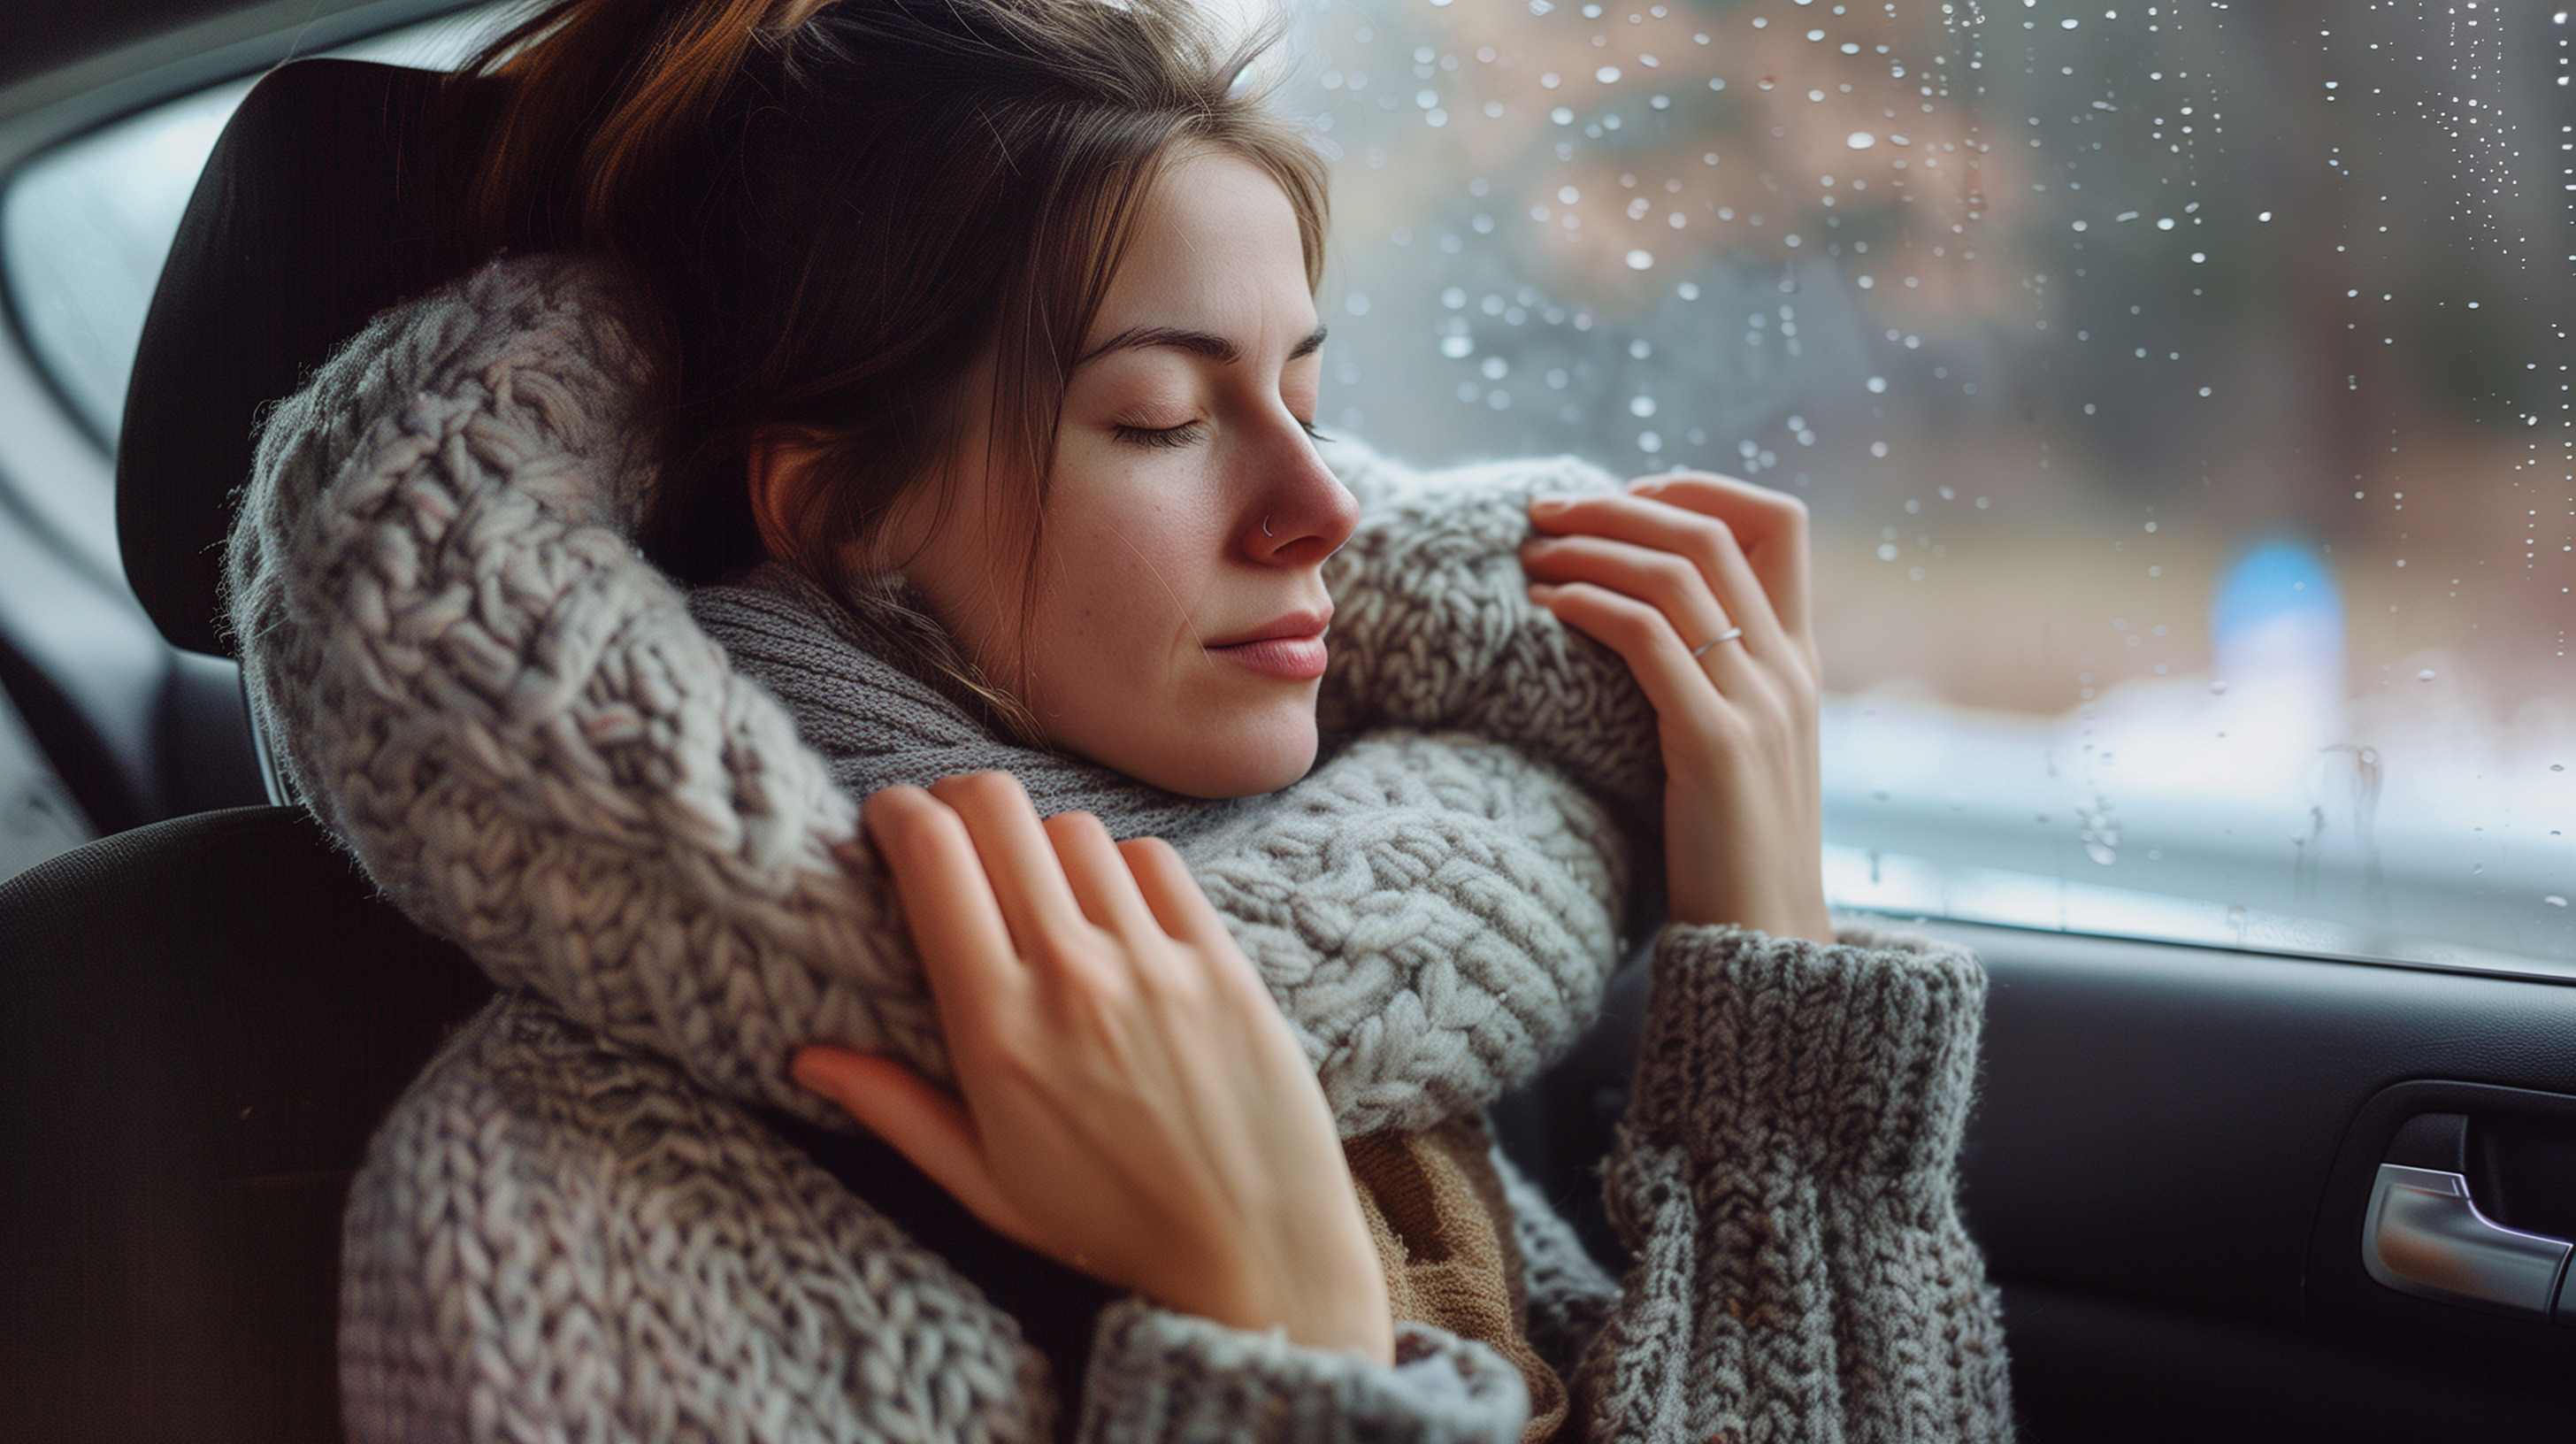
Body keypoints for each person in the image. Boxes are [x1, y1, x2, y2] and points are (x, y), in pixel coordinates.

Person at [219, 0, 2020, 1438]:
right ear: (836, 509)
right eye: (1164, 417)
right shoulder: (580, 1214)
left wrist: (1773, 972)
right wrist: (1288, 1349)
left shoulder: (1337, 997)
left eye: (1311, 391)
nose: (1322, 507)